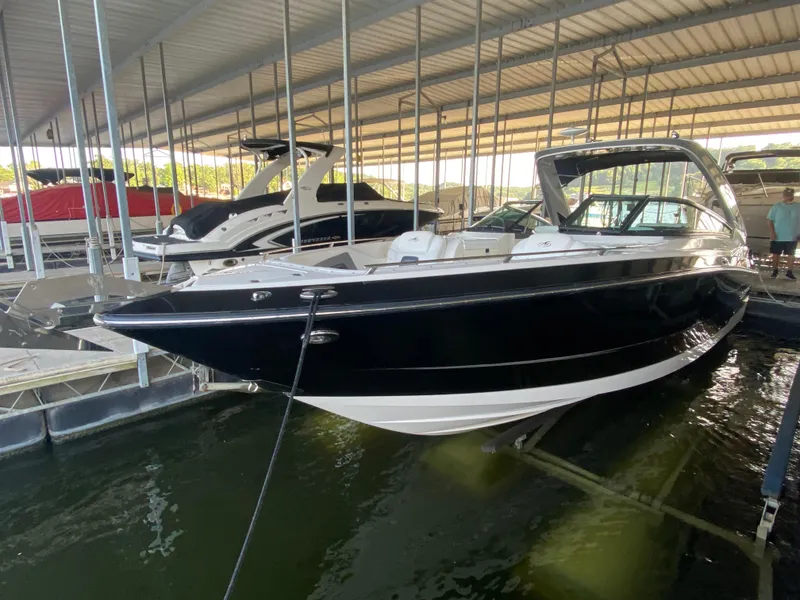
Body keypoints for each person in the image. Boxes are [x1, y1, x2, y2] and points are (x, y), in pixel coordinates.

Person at [768, 188, 800, 279]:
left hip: (792, 236)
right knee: (775, 254)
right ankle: (775, 271)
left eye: (790, 195)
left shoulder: (798, 206)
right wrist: (772, 233)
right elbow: (770, 220)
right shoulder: (776, 206)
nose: (788, 196)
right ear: (783, 196)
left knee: (791, 254)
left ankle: (789, 272)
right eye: (786, 195)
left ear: (793, 195)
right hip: (778, 235)